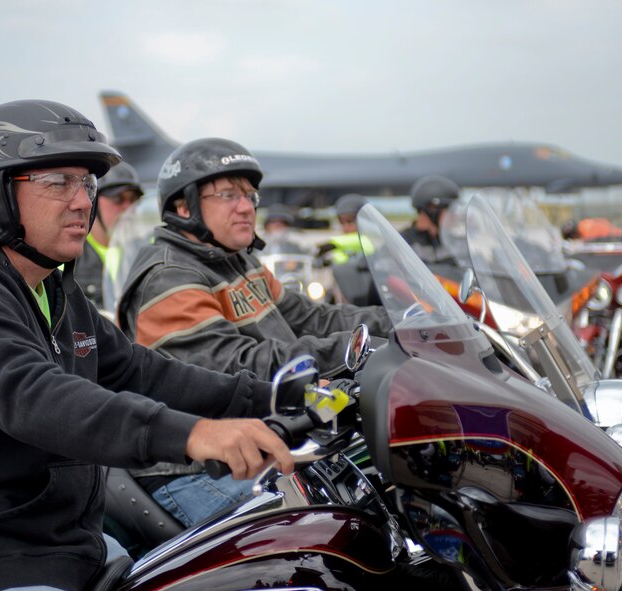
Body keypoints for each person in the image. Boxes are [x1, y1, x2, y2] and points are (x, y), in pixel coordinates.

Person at [0, 100, 293, 591]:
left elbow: (141, 371)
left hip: (56, 546)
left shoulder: (49, 288)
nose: (83, 201)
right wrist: (195, 435)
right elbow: (38, 398)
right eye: (58, 182)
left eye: (87, 183)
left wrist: (276, 397)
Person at [116, 138, 391, 525]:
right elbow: (239, 366)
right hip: (197, 468)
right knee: (324, 531)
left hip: (266, 437)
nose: (246, 206)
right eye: (228, 194)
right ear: (184, 206)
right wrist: (355, 348)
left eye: (249, 194)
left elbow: (312, 318)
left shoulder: (238, 261)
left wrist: (402, 318)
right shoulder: (169, 278)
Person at [75, 160, 144, 309]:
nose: (128, 208)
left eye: (133, 200)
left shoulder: (145, 249)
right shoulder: (71, 255)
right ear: (93, 201)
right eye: (118, 199)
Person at [400, 175, 460, 264]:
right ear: (432, 210)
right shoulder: (401, 243)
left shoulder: (454, 243)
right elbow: (381, 269)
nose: (454, 216)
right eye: (450, 210)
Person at [316, 193, 367, 265]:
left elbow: (365, 242)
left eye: (350, 221)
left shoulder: (372, 240)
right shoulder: (342, 247)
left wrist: (332, 244)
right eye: (341, 222)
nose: (345, 228)